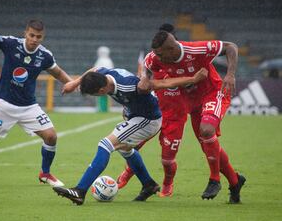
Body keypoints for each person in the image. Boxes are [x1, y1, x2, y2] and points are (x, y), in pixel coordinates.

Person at [51, 66, 207, 205]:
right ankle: (148, 184)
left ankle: (80, 190)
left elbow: (163, 84)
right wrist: (75, 83)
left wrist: (193, 79)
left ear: (101, 91)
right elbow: (94, 69)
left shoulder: (131, 85)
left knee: (105, 144)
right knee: (125, 149)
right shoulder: (104, 75)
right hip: (136, 116)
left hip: (147, 120)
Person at [0, 5, 73, 187]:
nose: (34, 40)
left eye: (38, 37)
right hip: (4, 104)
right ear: (25, 33)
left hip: (28, 107)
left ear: (42, 37)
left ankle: (45, 173)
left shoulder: (44, 55)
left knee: (51, 136)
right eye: (31, 35)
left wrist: (71, 84)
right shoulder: (11, 43)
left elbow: (58, 72)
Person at [144, 30, 246, 203]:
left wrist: (230, 74)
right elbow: (147, 66)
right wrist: (144, 78)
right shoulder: (156, 57)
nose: (158, 58)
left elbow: (231, 47)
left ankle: (214, 179)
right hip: (191, 103)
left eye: (161, 54)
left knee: (206, 131)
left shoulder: (196, 49)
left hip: (213, 93)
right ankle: (235, 182)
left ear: (171, 49)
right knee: (208, 145)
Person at [117, 23, 188, 199]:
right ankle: (127, 174)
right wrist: (129, 106)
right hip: (152, 111)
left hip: (174, 115)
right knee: (131, 146)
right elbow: (140, 83)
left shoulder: (185, 59)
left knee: (167, 158)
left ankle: (167, 183)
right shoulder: (153, 58)